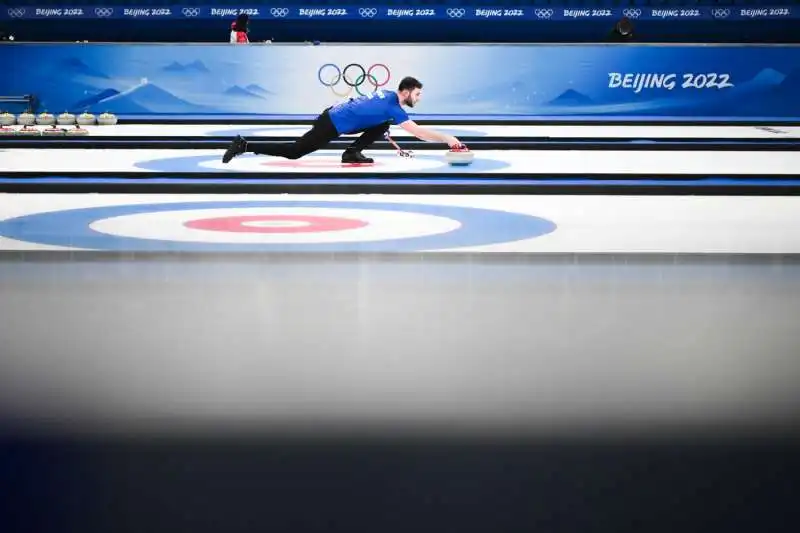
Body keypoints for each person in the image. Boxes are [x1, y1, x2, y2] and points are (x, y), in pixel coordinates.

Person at [221, 76, 463, 164]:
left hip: (334, 114)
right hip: (332, 122)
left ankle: (352, 153)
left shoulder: (389, 95)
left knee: (383, 124)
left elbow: (362, 105)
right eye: (418, 94)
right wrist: (447, 138)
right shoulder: (394, 105)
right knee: (296, 152)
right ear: (407, 91)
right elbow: (419, 133)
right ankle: (244, 145)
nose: (419, 99)